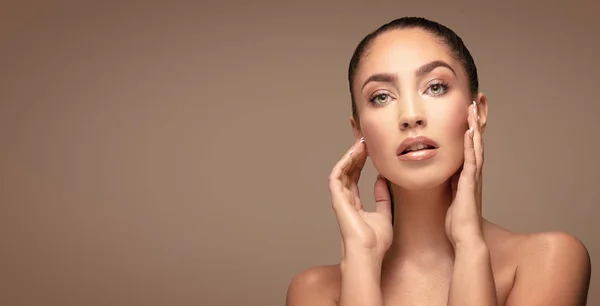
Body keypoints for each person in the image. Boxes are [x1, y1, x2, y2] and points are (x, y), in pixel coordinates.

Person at [285, 17, 591, 306]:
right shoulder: (315, 291)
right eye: (381, 96)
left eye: (435, 87)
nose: (410, 116)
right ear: (359, 131)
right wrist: (361, 261)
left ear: (478, 111)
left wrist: (469, 246)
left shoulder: (549, 259)